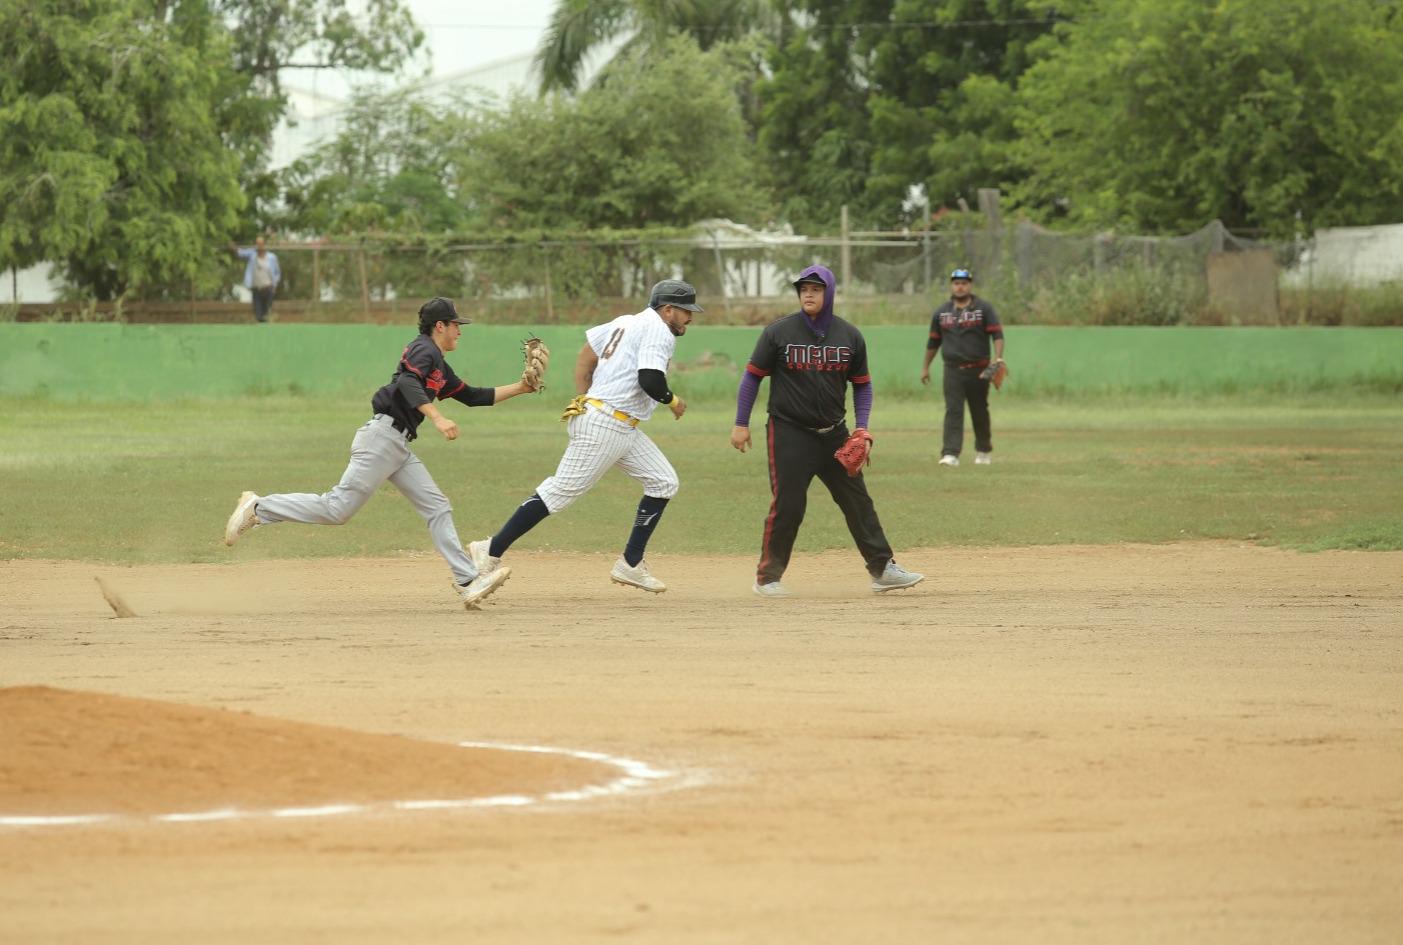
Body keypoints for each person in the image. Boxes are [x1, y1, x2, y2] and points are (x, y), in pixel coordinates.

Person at [222, 297, 540, 609]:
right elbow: (406, 381)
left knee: (436, 506)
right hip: (381, 439)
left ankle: (468, 581)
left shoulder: (439, 365)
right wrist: (437, 417)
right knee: (337, 509)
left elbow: (472, 396)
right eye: (456, 324)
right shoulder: (423, 348)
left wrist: (520, 387)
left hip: (397, 446)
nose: (460, 330)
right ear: (439, 325)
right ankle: (260, 508)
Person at [467, 280, 700, 594]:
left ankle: (630, 564)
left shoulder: (626, 322)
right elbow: (650, 379)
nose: (690, 318)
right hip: (607, 424)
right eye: (686, 311)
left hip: (619, 424)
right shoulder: (658, 330)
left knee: (663, 481)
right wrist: (674, 401)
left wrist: (588, 399)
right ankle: (490, 549)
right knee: (559, 492)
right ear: (668, 309)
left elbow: (587, 353)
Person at [729, 264, 924, 598]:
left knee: (857, 501)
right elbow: (752, 376)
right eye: (803, 288)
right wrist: (741, 423)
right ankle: (768, 578)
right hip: (789, 431)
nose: (808, 293)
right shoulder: (779, 333)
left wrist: (861, 429)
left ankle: (882, 569)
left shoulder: (849, 336)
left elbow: (862, 386)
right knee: (789, 505)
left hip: (835, 434)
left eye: (816, 289)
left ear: (829, 293)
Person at [920, 267, 1006, 466]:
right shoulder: (942, 312)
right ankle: (951, 454)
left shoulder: (983, 309)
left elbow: (997, 334)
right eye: (956, 283)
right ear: (952, 286)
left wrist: (998, 358)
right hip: (952, 370)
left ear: (970, 285)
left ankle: (983, 450)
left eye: (964, 283)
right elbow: (933, 342)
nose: (960, 287)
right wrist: (925, 367)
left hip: (979, 369)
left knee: (979, 410)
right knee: (953, 410)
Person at [232, 237, 281, 323]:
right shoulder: (252, 255)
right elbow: (240, 253)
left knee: (267, 314)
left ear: (264, 245)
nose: (259, 246)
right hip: (256, 289)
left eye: (261, 244)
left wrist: (274, 285)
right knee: (258, 314)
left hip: (268, 288)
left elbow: (277, 273)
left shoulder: (272, 257)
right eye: (257, 244)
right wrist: (233, 246)